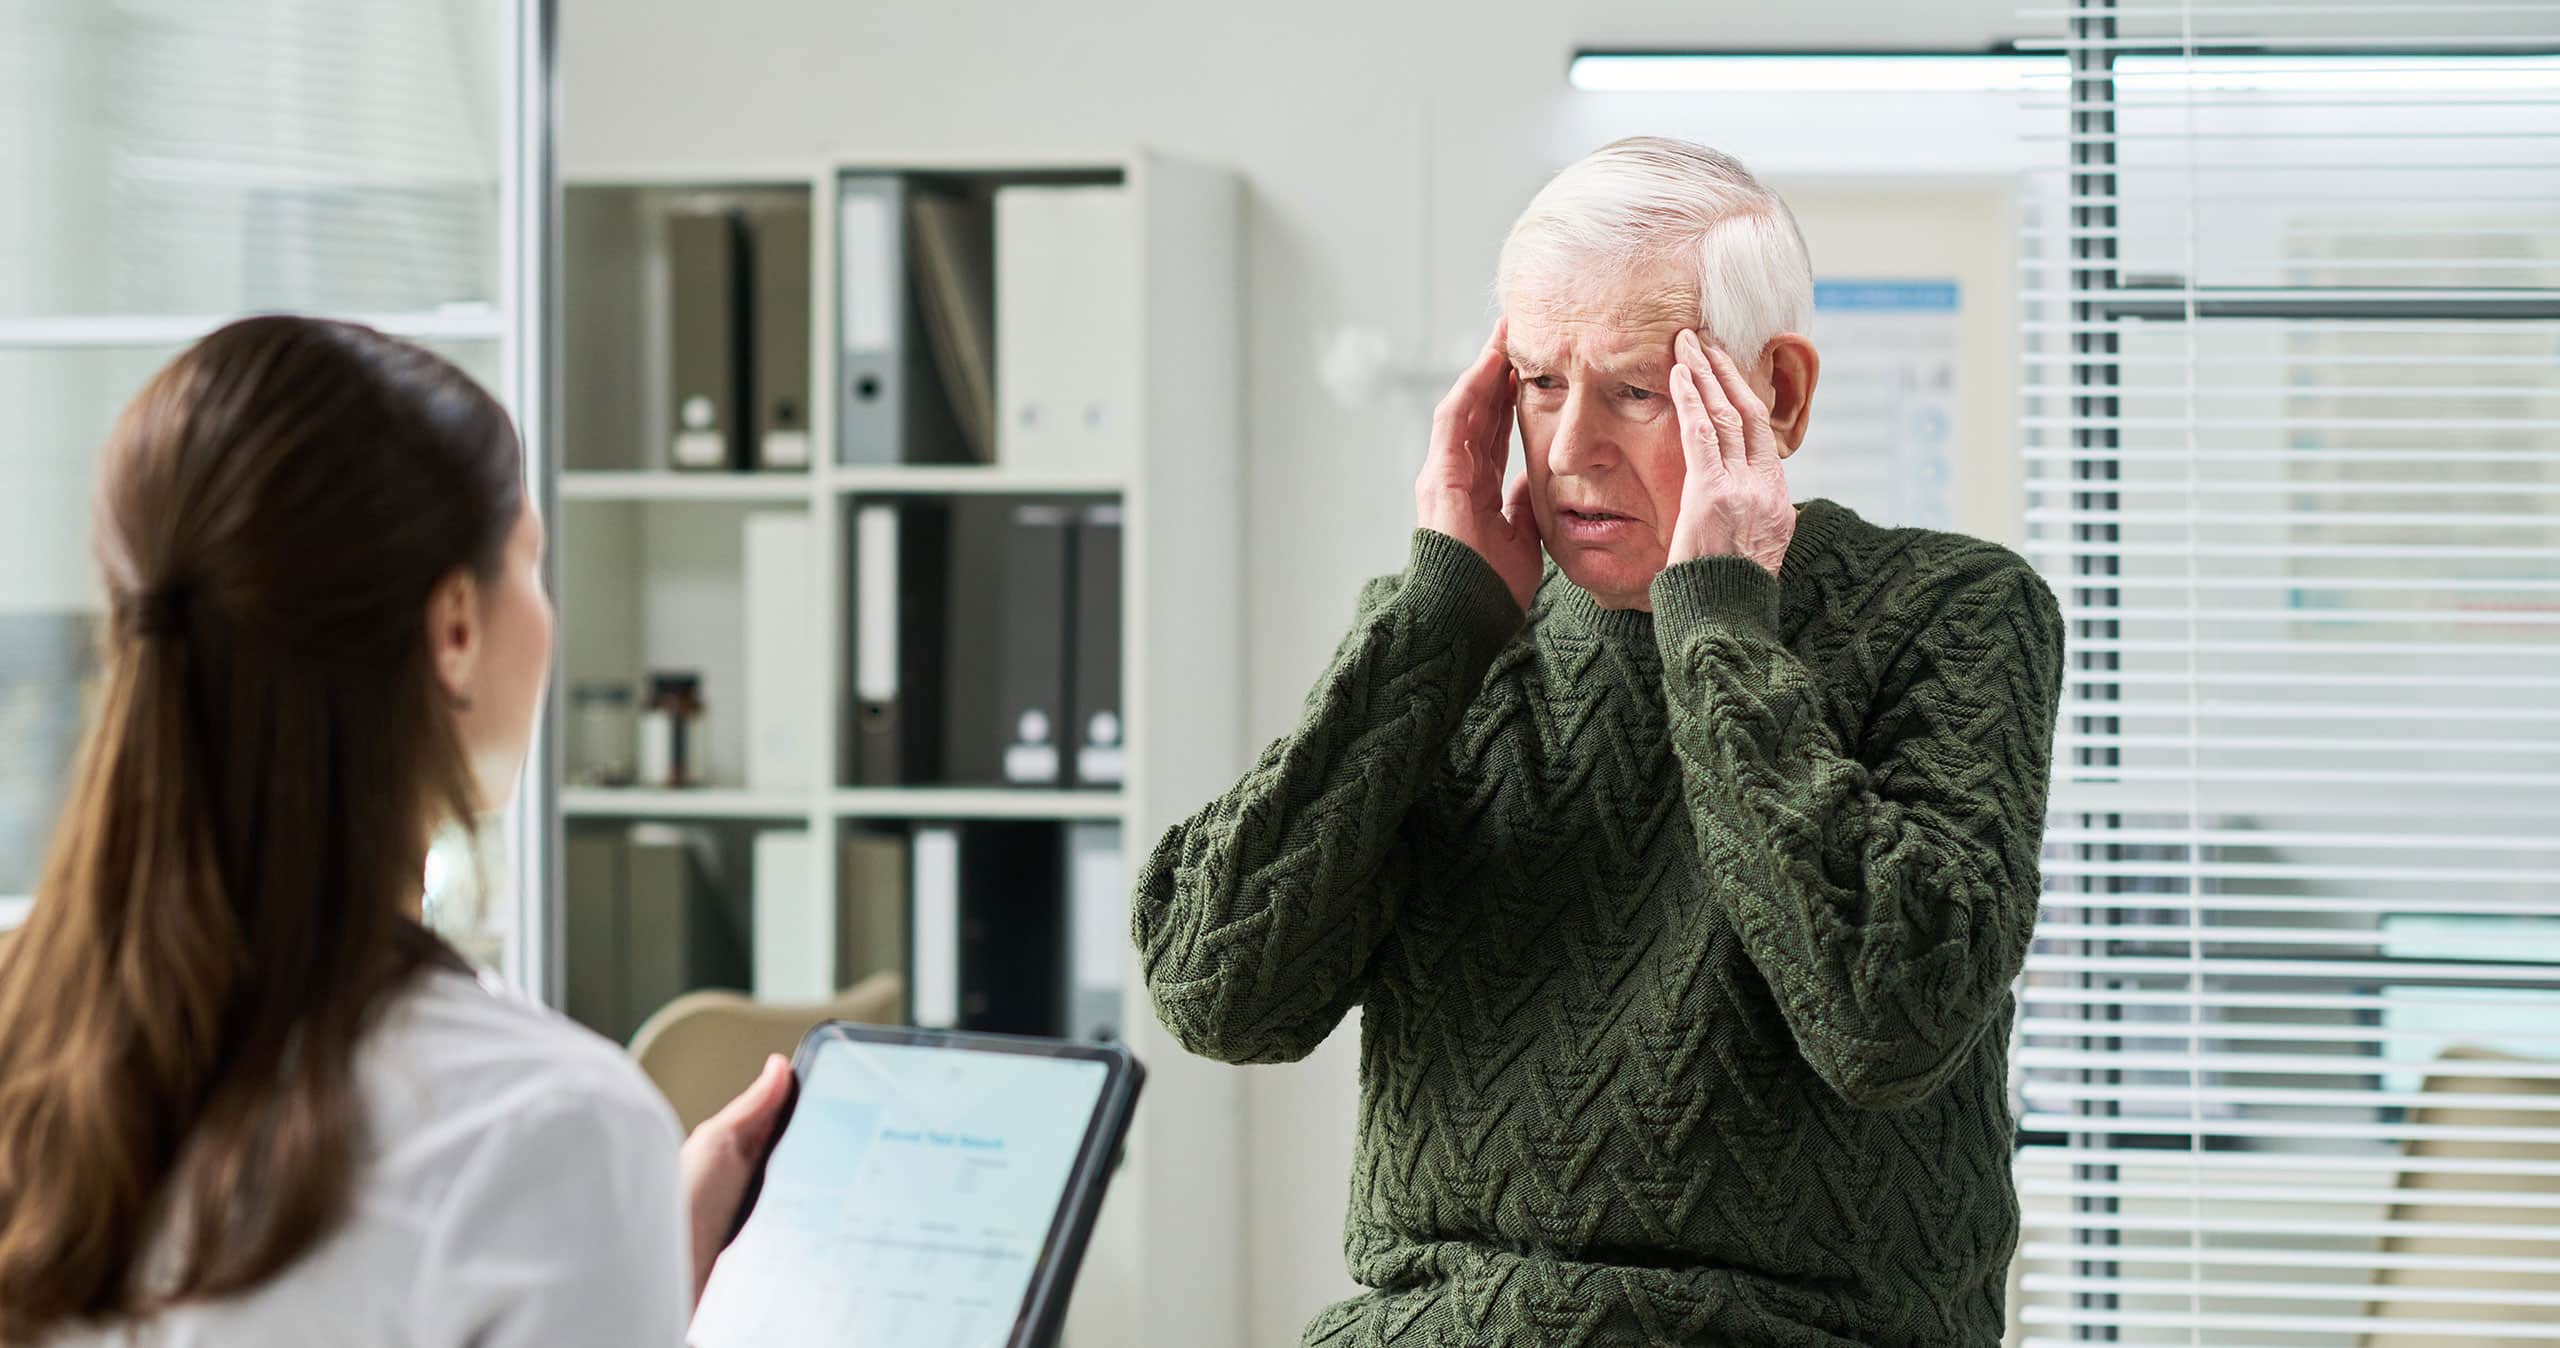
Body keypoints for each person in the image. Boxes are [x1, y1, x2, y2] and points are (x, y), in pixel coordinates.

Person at [1134, 137, 2065, 1346]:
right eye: (1534, 382)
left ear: (1775, 396)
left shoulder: (1956, 611)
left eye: (1632, 389)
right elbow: (1218, 991)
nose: (1569, 448)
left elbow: (1888, 1018)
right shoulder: (1445, 640)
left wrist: (1718, 625)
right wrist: (1434, 620)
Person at [0, 316, 790, 1346]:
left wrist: (627, 1262)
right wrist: (600, 1219)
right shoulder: (547, 1129)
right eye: (532, 562)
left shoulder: (30, 1040)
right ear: (455, 628)